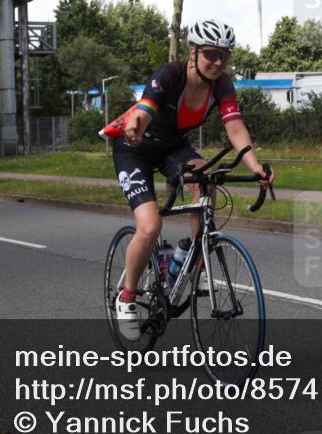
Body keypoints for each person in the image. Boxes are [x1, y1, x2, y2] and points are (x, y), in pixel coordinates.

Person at [108, 19, 274, 341]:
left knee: (207, 178)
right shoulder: (169, 75)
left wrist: (255, 166)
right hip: (136, 148)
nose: (218, 62)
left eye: (224, 55)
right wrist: (136, 124)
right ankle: (127, 298)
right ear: (194, 52)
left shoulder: (222, 84)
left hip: (174, 148)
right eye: (211, 54)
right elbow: (145, 108)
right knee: (150, 226)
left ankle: (194, 256)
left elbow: (235, 126)